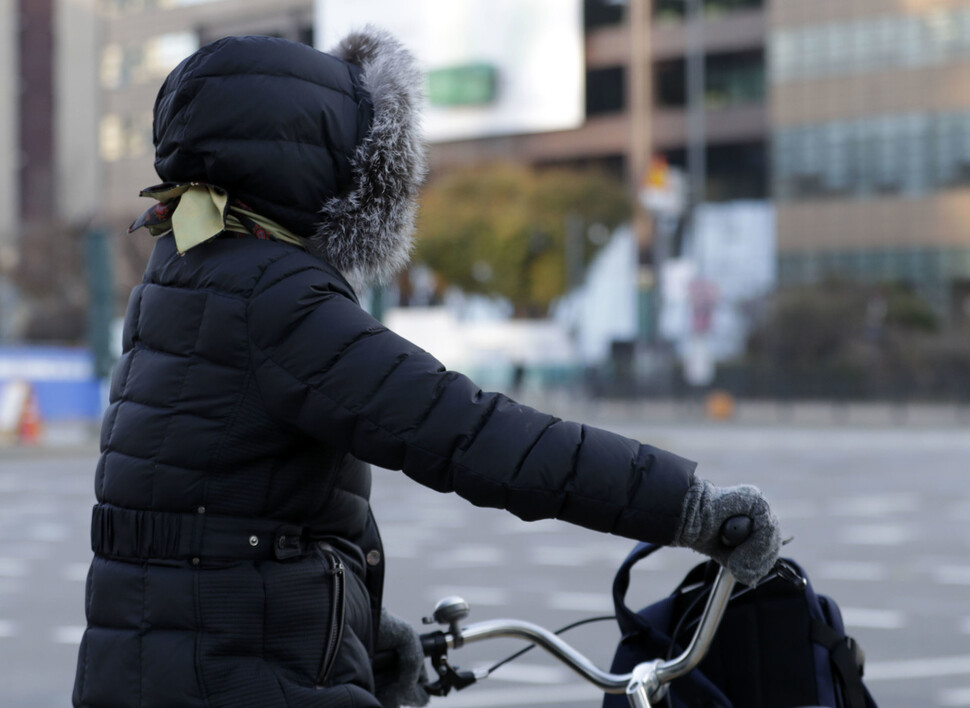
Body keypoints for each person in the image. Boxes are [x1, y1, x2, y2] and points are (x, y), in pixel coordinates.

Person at [72, 28, 781, 708]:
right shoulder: (275, 298)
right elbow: (466, 433)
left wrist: (360, 634)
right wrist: (684, 507)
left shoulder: (184, 270)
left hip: (159, 664)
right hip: (233, 679)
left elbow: (203, 515)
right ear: (326, 164)